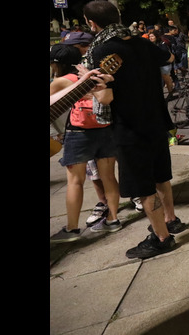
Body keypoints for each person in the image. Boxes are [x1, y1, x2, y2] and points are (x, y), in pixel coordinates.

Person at [84, 0, 186, 260]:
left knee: (143, 185)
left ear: (91, 23)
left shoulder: (102, 51)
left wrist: (94, 86)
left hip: (130, 127)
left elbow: (106, 98)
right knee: (161, 175)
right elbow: (170, 56)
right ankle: (171, 219)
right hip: (156, 120)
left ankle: (162, 237)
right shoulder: (141, 42)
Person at [49, 44, 122, 242]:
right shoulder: (95, 78)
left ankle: (72, 228)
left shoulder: (63, 80)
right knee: (108, 177)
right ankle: (113, 219)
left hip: (79, 131)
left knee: (75, 180)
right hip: (104, 128)